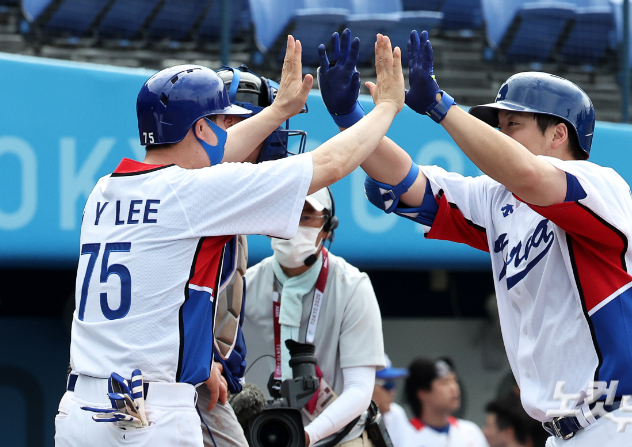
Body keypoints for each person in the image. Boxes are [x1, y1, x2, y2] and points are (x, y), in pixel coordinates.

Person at [317, 29, 632, 446]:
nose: (499, 134)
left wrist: (442, 107)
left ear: (559, 134)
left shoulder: (599, 185)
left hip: (631, 420)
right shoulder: (497, 199)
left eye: (512, 124)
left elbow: (528, 175)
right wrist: (349, 118)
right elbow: (408, 182)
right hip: (562, 432)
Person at [55, 33, 405, 447]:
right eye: (223, 121)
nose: (229, 130)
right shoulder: (193, 193)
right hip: (152, 417)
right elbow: (331, 162)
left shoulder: (103, 190)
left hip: (81, 411)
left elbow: (209, 159)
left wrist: (277, 111)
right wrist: (385, 108)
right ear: (200, 127)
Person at [194, 64, 308, 447]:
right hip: (183, 383)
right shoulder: (198, 197)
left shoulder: (227, 199)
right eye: (266, 126)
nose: (278, 139)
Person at [242, 186, 385, 446]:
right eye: (285, 213)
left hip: (338, 437)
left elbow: (360, 389)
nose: (292, 225)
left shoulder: (352, 286)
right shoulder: (242, 287)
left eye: (306, 216)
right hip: (262, 437)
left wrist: (306, 436)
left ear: (328, 228)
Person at [404, 357, 488, 447]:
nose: (454, 388)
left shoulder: (471, 432)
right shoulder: (405, 435)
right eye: (444, 382)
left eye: (454, 380)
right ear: (422, 393)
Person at [372, 355, 411, 447]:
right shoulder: (349, 416)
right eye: (388, 384)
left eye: (394, 384)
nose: (392, 391)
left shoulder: (396, 413)